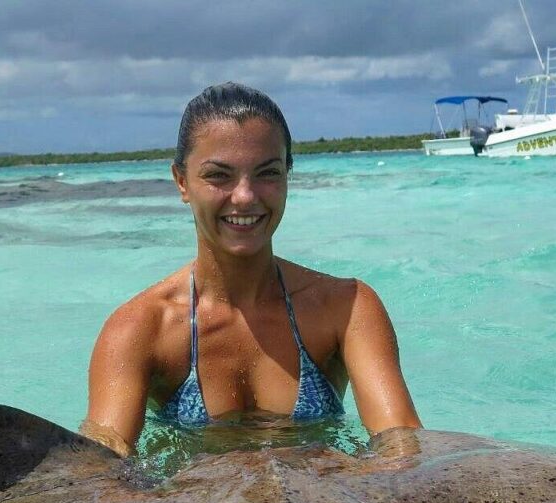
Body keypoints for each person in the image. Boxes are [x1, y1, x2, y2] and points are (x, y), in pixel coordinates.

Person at [82, 82, 421, 456]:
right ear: (182, 182)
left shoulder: (346, 308)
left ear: (287, 175)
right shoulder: (139, 330)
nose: (245, 196)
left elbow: (402, 446)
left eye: (267, 173)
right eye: (218, 175)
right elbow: (102, 466)